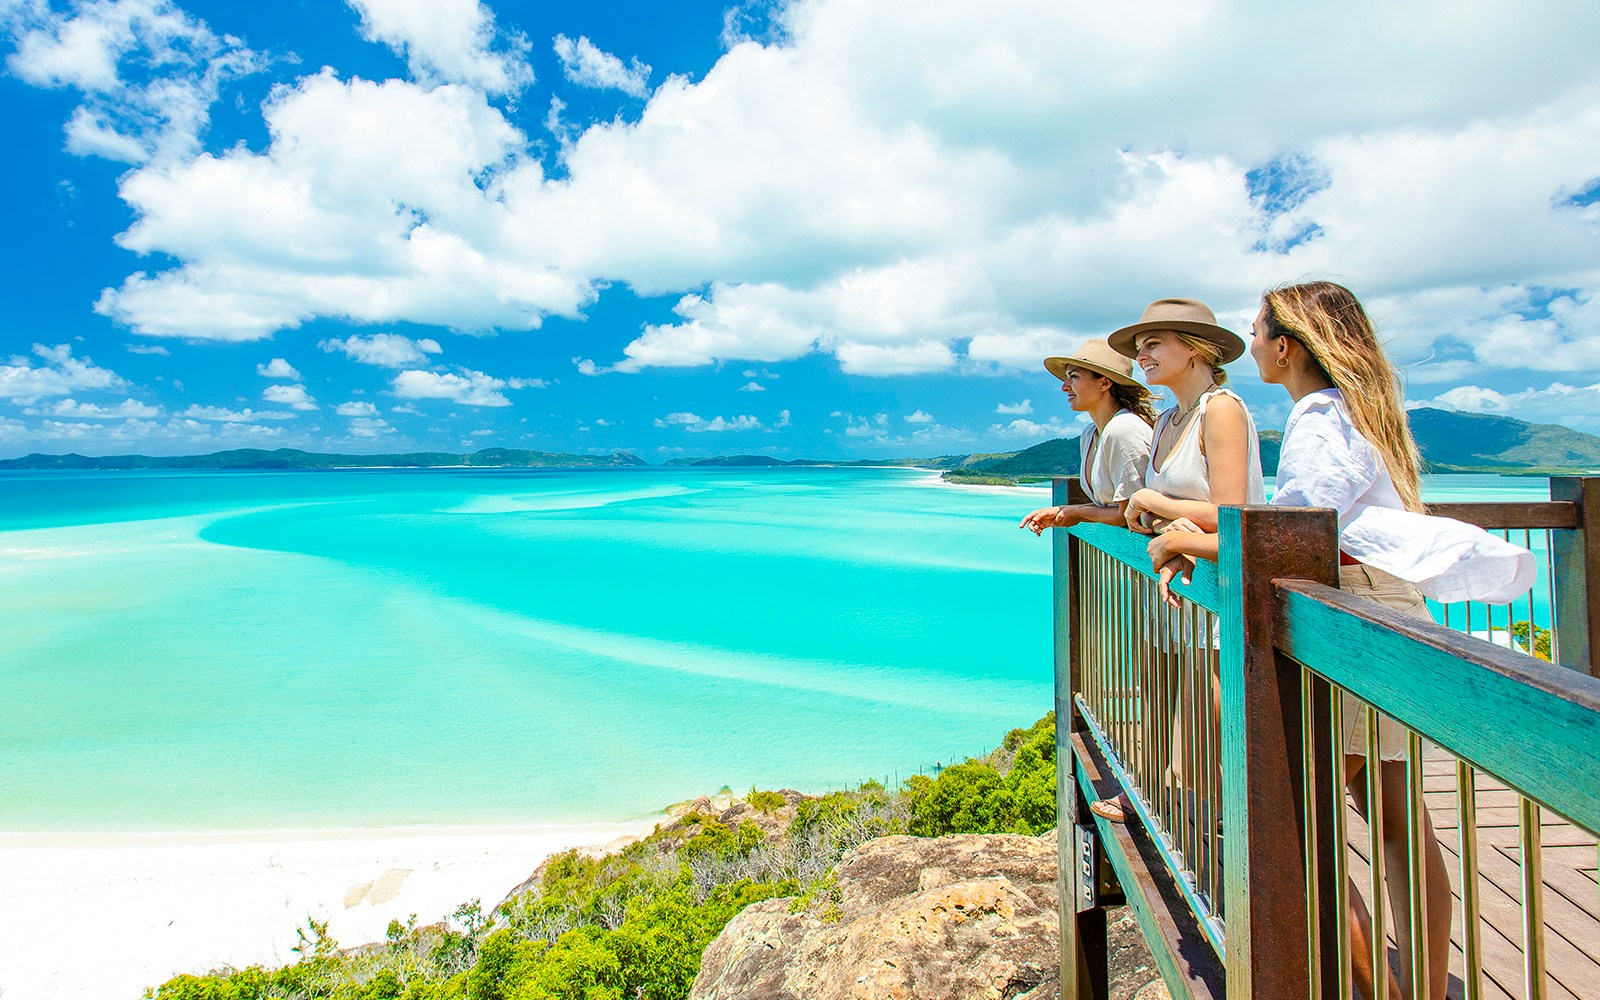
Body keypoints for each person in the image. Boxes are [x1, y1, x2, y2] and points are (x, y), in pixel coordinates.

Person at [1163, 280, 1532, 1000]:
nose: (1254, 339)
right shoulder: (1366, 412)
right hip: (1387, 604)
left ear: (1288, 343)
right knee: (1396, 819)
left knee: (1306, 823)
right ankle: (1419, 989)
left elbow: (1299, 537)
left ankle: (1378, 991)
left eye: (1259, 328)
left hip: (1346, 614)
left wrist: (1190, 541)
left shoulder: (1318, 414)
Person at [1095, 298, 1265, 825]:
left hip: (1216, 597)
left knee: (1203, 751)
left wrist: (1157, 506)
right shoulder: (1169, 419)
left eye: (1153, 344)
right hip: (1178, 593)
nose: (1141, 355)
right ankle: (1208, 857)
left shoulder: (1222, 409)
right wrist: (1162, 523)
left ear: (1194, 349)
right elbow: (1145, 516)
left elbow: (1234, 514)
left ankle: (1234, 870)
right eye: (1139, 346)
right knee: (1184, 743)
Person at [1020, 338, 1156, 536]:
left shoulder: (1123, 430)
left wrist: (1076, 513)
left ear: (1105, 382)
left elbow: (1129, 513)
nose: (1064, 386)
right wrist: (1063, 511)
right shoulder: (1090, 434)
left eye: (1073, 377)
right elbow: (1110, 504)